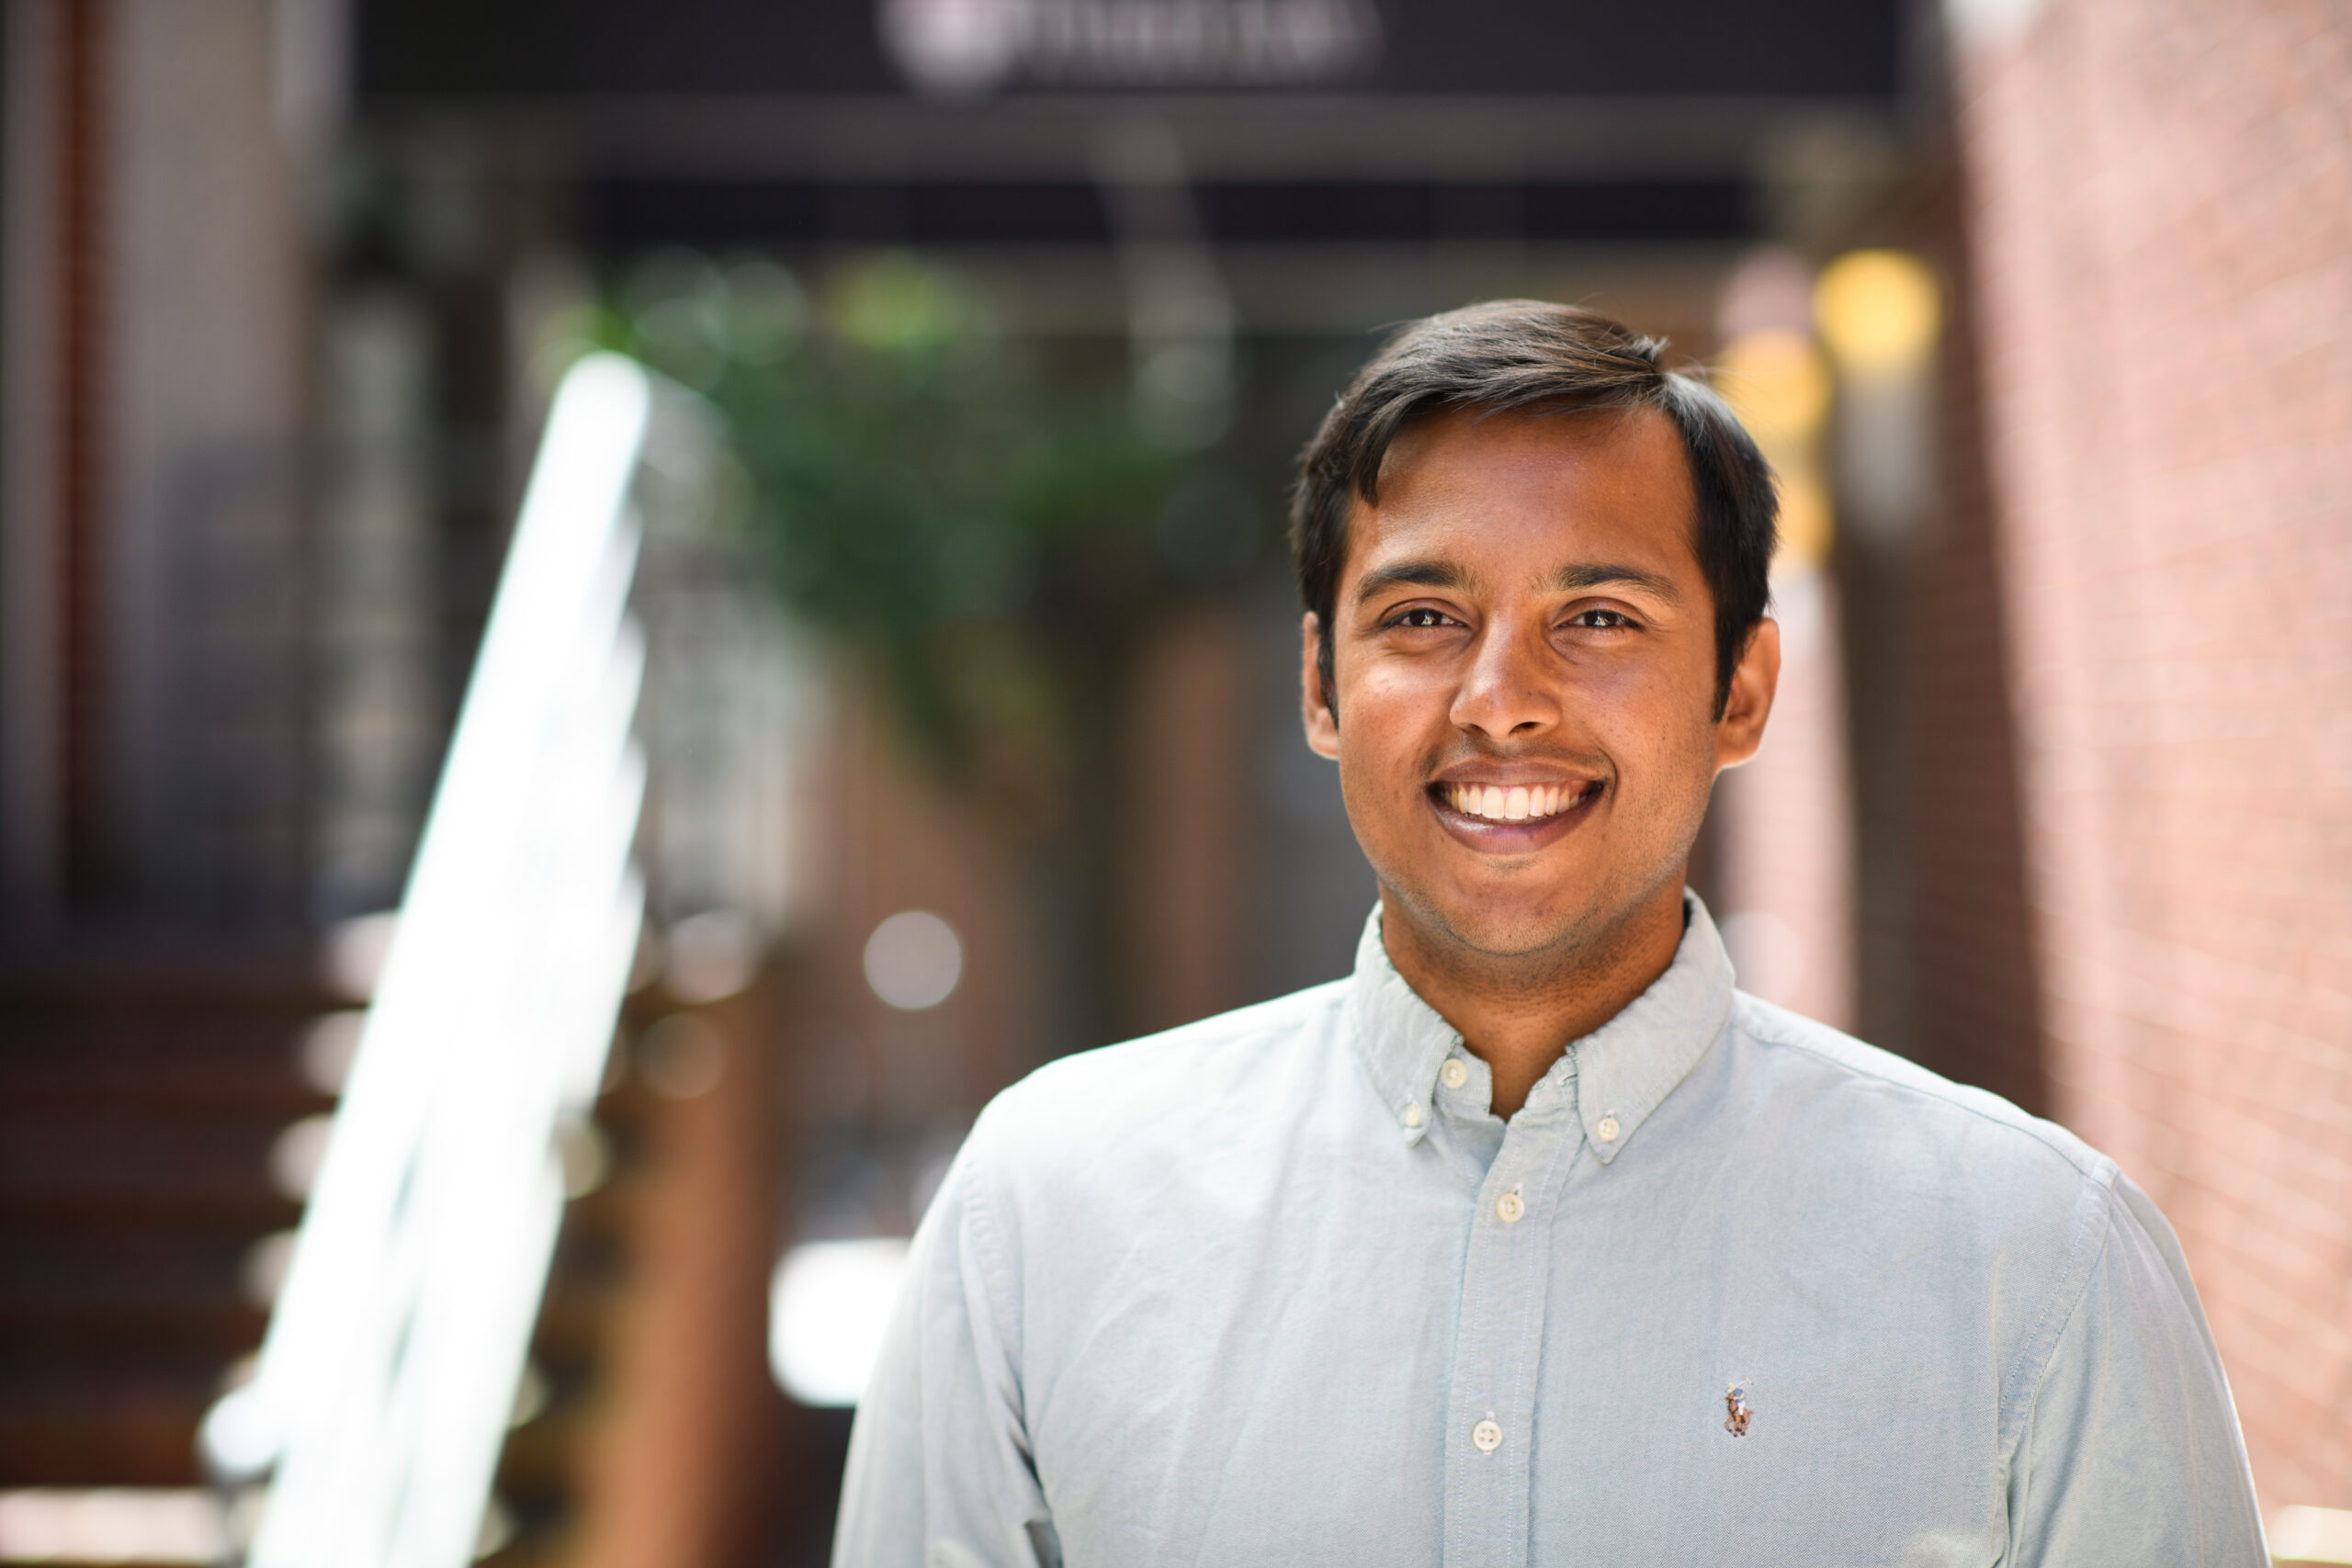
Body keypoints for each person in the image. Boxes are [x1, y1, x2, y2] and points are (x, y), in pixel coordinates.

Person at [832, 301, 2267, 1565]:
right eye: (1423, 615)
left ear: (1743, 690)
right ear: (1323, 687)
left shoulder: (2040, 1261)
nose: (1501, 699)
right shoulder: (1042, 1210)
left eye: (1595, 615)